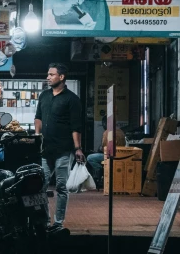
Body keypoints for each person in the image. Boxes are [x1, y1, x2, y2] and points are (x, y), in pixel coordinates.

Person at [35, 63, 83, 230]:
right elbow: (38, 117)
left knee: (61, 187)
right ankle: (45, 220)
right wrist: (37, 135)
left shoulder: (72, 99)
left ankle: (58, 222)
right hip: (45, 149)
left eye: (51, 74)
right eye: (48, 74)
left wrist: (77, 148)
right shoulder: (44, 96)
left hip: (63, 150)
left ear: (61, 77)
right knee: (40, 186)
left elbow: (76, 126)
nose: (48, 77)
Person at [86, 123, 126, 187]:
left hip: (109, 156)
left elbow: (104, 148)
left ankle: (100, 171)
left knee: (89, 157)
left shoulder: (106, 132)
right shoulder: (121, 132)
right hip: (120, 155)